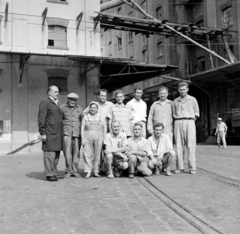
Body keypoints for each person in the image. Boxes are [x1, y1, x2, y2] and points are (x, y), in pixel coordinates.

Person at [172, 82, 199, 175]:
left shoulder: (193, 99)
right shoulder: (175, 101)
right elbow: (173, 113)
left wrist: (190, 121)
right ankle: (180, 167)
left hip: (190, 121)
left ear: (187, 89)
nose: (182, 91)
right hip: (178, 122)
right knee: (178, 146)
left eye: (184, 89)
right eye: (180, 89)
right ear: (178, 90)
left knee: (191, 146)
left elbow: (196, 113)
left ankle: (192, 167)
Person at [38, 86, 63, 182]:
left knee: (56, 155)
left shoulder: (56, 102)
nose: (57, 93)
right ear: (49, 92)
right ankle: (49, 174)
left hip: (57, 133)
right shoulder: (45, 102)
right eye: (55, 92)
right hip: (49, 133)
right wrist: (42, 133)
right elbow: (41, 119)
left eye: (58, 91)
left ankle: (54, 173)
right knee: (49, 155)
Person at [60, 93, 83, 178]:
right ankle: (68, 171)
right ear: (68, 99)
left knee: (76, 152)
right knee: (67, 152)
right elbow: (59, 120)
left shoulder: (79, 109)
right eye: (71, 99)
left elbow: (82, 120)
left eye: (74, 100)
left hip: (77, 133)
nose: (73, 101)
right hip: (66, 133)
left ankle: (75, 171)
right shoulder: (62, 108)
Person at [81, 102, 105, 179]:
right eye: (91, 107)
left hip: (99, 137)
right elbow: (82, 128)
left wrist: (104, 138)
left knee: (97, 155)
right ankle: (88, 171)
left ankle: (96, 171)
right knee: (87, 154)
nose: (93, 109)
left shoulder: (101, 117)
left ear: (97, 109)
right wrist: (83, 139)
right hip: (87, 137)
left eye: (94, 107)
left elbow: (104, 127)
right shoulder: (85, 117)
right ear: (89, 108)